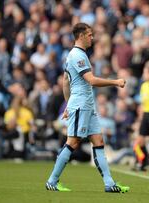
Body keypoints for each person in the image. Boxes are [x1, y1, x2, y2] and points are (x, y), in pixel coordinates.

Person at [45, 23, 129, 193]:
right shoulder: (77, 55)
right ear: (81, 36)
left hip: (87, 106)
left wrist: (68, 105)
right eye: (89, 35)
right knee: (73, 142)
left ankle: (109, 183)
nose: (92, 37)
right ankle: (52, 181)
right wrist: (115, 82)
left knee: (98, 141)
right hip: (81, 105)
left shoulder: (74, 55)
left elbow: (65, 82)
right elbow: (91, 80)